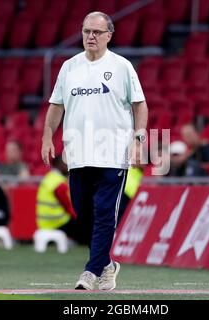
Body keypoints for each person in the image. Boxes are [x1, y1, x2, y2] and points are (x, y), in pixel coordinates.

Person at [41, 11, 148, 291]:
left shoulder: (122, 66)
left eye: (96, 32)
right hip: (77, 155)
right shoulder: (69, 67)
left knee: (103, 211)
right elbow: (56, 105)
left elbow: (139, 105)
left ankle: (91, 271)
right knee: (83, 212)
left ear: (109, 36)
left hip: (113, 154)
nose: (90, 36)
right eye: (86, 31)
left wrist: (138, 138)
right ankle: (108, 265)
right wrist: (47, 136)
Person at [36, 155, 78, 242]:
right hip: (57, 222)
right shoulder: (59, 183)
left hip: (44, 223)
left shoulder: (49, 178)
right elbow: (68, 207)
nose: (68, 167)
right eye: (66, 164)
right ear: (59, 165)